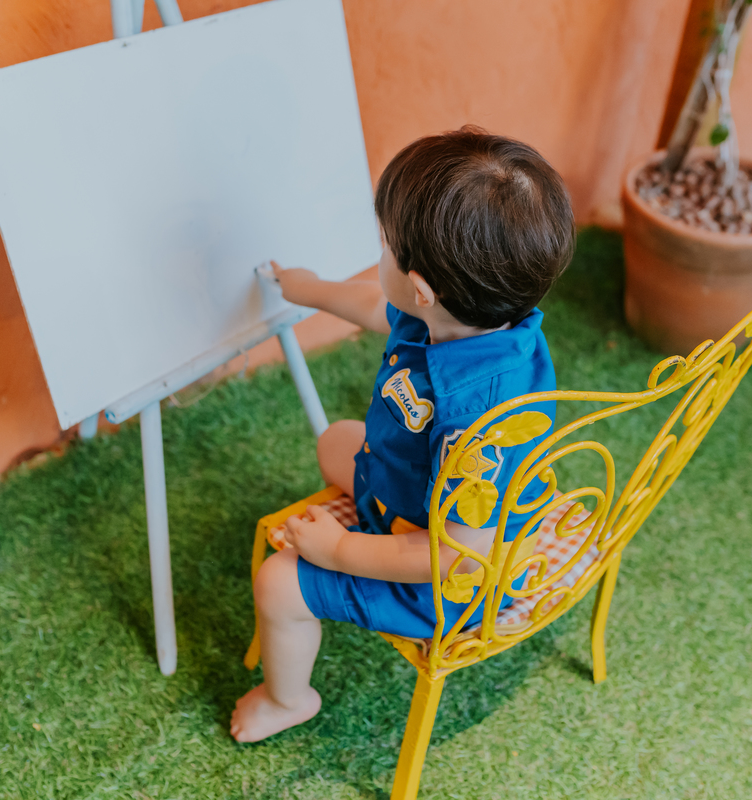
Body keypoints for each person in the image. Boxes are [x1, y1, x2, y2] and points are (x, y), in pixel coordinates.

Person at [231, 126, 576, 742]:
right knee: (335, 440)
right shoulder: (474, 314)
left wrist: (338, 552)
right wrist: (307, 288)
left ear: (420, 287)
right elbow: (373, 306)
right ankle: (366, 523)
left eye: (386, 247)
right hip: (413, 492)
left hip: (450, 581)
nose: (380, 256)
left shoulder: (479, 425)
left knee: (278, 583)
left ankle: (288, 700)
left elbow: (455, 554)